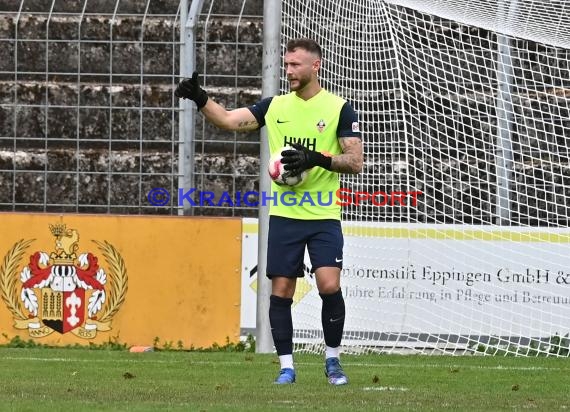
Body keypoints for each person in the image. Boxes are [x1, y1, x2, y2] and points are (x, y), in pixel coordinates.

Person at [175, 38, 363, 385]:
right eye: (286, 64)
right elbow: (230, 121)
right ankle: (286, 367)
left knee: (328, 284)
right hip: (285, 216)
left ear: (315, 66)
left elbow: (355, 161)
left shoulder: (339, 109)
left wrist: (316, 159)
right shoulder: (275, 107)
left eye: (295, 65)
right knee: (281, 291)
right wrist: (201, 99)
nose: (288, 70)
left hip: (323, 215)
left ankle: (333, 361)